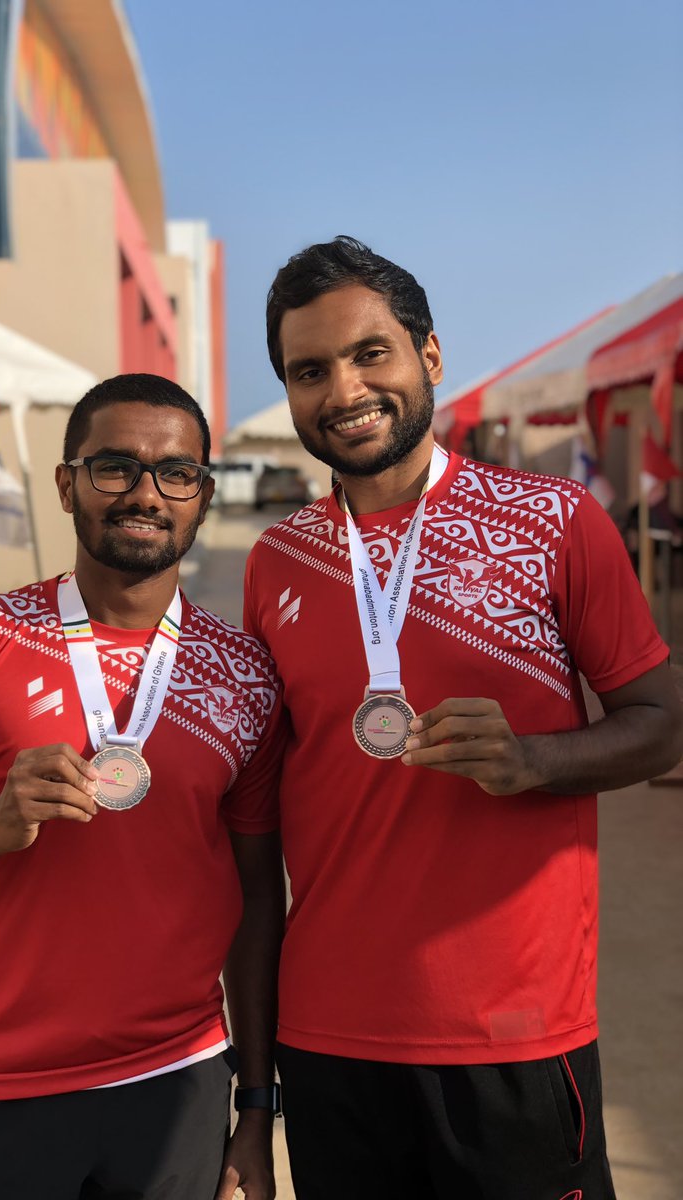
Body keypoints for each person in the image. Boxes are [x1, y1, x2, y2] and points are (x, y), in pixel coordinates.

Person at [244, 237, 683, 1199]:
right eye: (309, 370)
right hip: (330, 1040)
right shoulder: (277, 560)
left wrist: (535, 759)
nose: (345, 388)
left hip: (515, 1034)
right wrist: (253, 1089)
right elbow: (268, 804)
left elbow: (661, 719)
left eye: (371, 354)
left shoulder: (554, 520)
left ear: (429, 358)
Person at [0, 374, 285, 1200]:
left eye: (175, 472)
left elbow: (257, 904)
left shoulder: (248, 672)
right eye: (114, 467)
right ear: (66, 483)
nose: (145, 493)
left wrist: (253, 1108)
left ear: (203, 495)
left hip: (177, 1086)